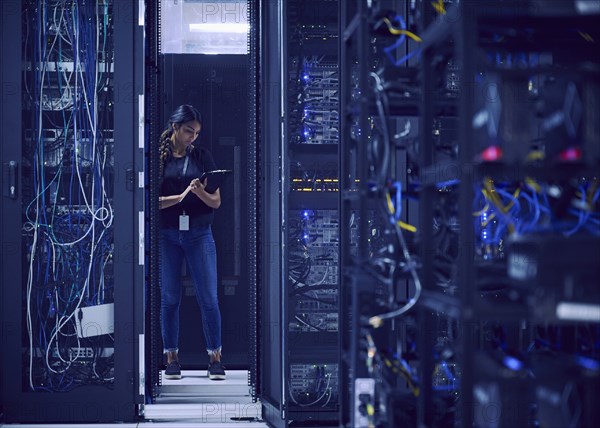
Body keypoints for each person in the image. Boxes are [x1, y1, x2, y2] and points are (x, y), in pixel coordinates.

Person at [158, 104, 225, 381]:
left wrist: (199, 192)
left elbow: (216, 201)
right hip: (167, 234)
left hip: (199, 233)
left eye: (196, 133)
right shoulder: (157, 158)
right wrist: (184, 194)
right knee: (170, 298)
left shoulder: (202, 157)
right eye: (188, 131)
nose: (192, 137)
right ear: (175, 127)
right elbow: (153, 203)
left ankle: (215, 359)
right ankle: (171, 358)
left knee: (208, 297)